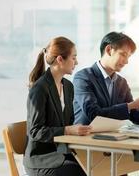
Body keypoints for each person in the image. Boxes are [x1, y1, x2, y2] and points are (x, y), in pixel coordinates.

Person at [73, 31, 139, 176]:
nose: (126, 61)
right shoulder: (83, 77)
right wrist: (131, 105)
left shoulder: (121, 82)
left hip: (113, 141)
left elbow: (133, 113)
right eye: (123, 54)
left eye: (129, 57)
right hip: (87, 142)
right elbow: (94, 113)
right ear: (108, 50)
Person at [24, 37, 91, 176]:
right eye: (73, 58)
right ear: (60, 59)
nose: (76, 62)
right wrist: (67, 130)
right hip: (41, 159)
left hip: (62, 152)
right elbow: (35, 131)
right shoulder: (40, 88)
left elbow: (69, 122)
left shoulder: (68, 87)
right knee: (82, 171)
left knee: (96, 164)